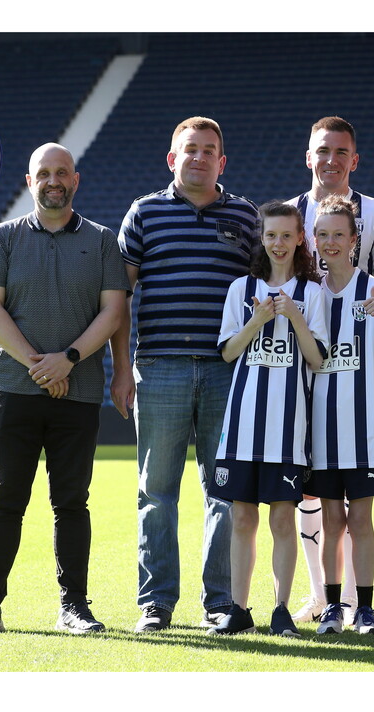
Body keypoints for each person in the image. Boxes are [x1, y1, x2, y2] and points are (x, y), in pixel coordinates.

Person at [0, 143, 130, 635]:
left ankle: (74, 606)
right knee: (6, 498)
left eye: (62, 172)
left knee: (71, 502)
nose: (53, 180)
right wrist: (40, 366)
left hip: (78, 392)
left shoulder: (100, 241)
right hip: (14, 388)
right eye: (43, 174)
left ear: (75, 180)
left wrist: (68, 361)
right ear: (30, 181)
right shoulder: (4, 237)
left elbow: (113, 311)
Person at [111, 117, 261, 633]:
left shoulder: (244, 216)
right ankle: (156, 603)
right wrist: (121, 368)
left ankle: (220, 602)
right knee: (156, 492)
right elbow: (119, 298)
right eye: (189, 149)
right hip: (160, 367)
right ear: (172, 159)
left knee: (223, 489)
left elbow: (265, 288)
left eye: (209, 150)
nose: (199, 157)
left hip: (227, 371)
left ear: (222, 160)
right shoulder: (145, 212)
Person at [285, 116, 374, 623]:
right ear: (309, 156)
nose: (330, 160)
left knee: (357, 514)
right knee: (317, 505)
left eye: (340, 152)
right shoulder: (289, 214)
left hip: (361, 412)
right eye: (322, 151)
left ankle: (358, 602)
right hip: (306, 398)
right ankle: (325, 597)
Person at [206, 202, 328, 637]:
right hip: (241, 429)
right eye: (270, 235)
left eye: (286, 235)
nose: (278, 244)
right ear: (262, 238)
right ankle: (238, 610)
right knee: (242, 518)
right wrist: (258, 319)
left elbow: (317, 359)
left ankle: (280, 609)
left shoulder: (313, 293)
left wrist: (294, 317)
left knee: (281, 520)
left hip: (287, 430)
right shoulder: (241, 288)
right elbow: (227, 351)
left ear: (301, 239)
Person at [306, 196, 374, 635]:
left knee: (361, 520)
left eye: (338, 234)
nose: (330, 242)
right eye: (322, 234)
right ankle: (331, 606)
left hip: (364, 431)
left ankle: (365, 608)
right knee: (331, 521)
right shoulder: (308, 292)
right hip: (320, 433)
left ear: (354, 239)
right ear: (313, 239)